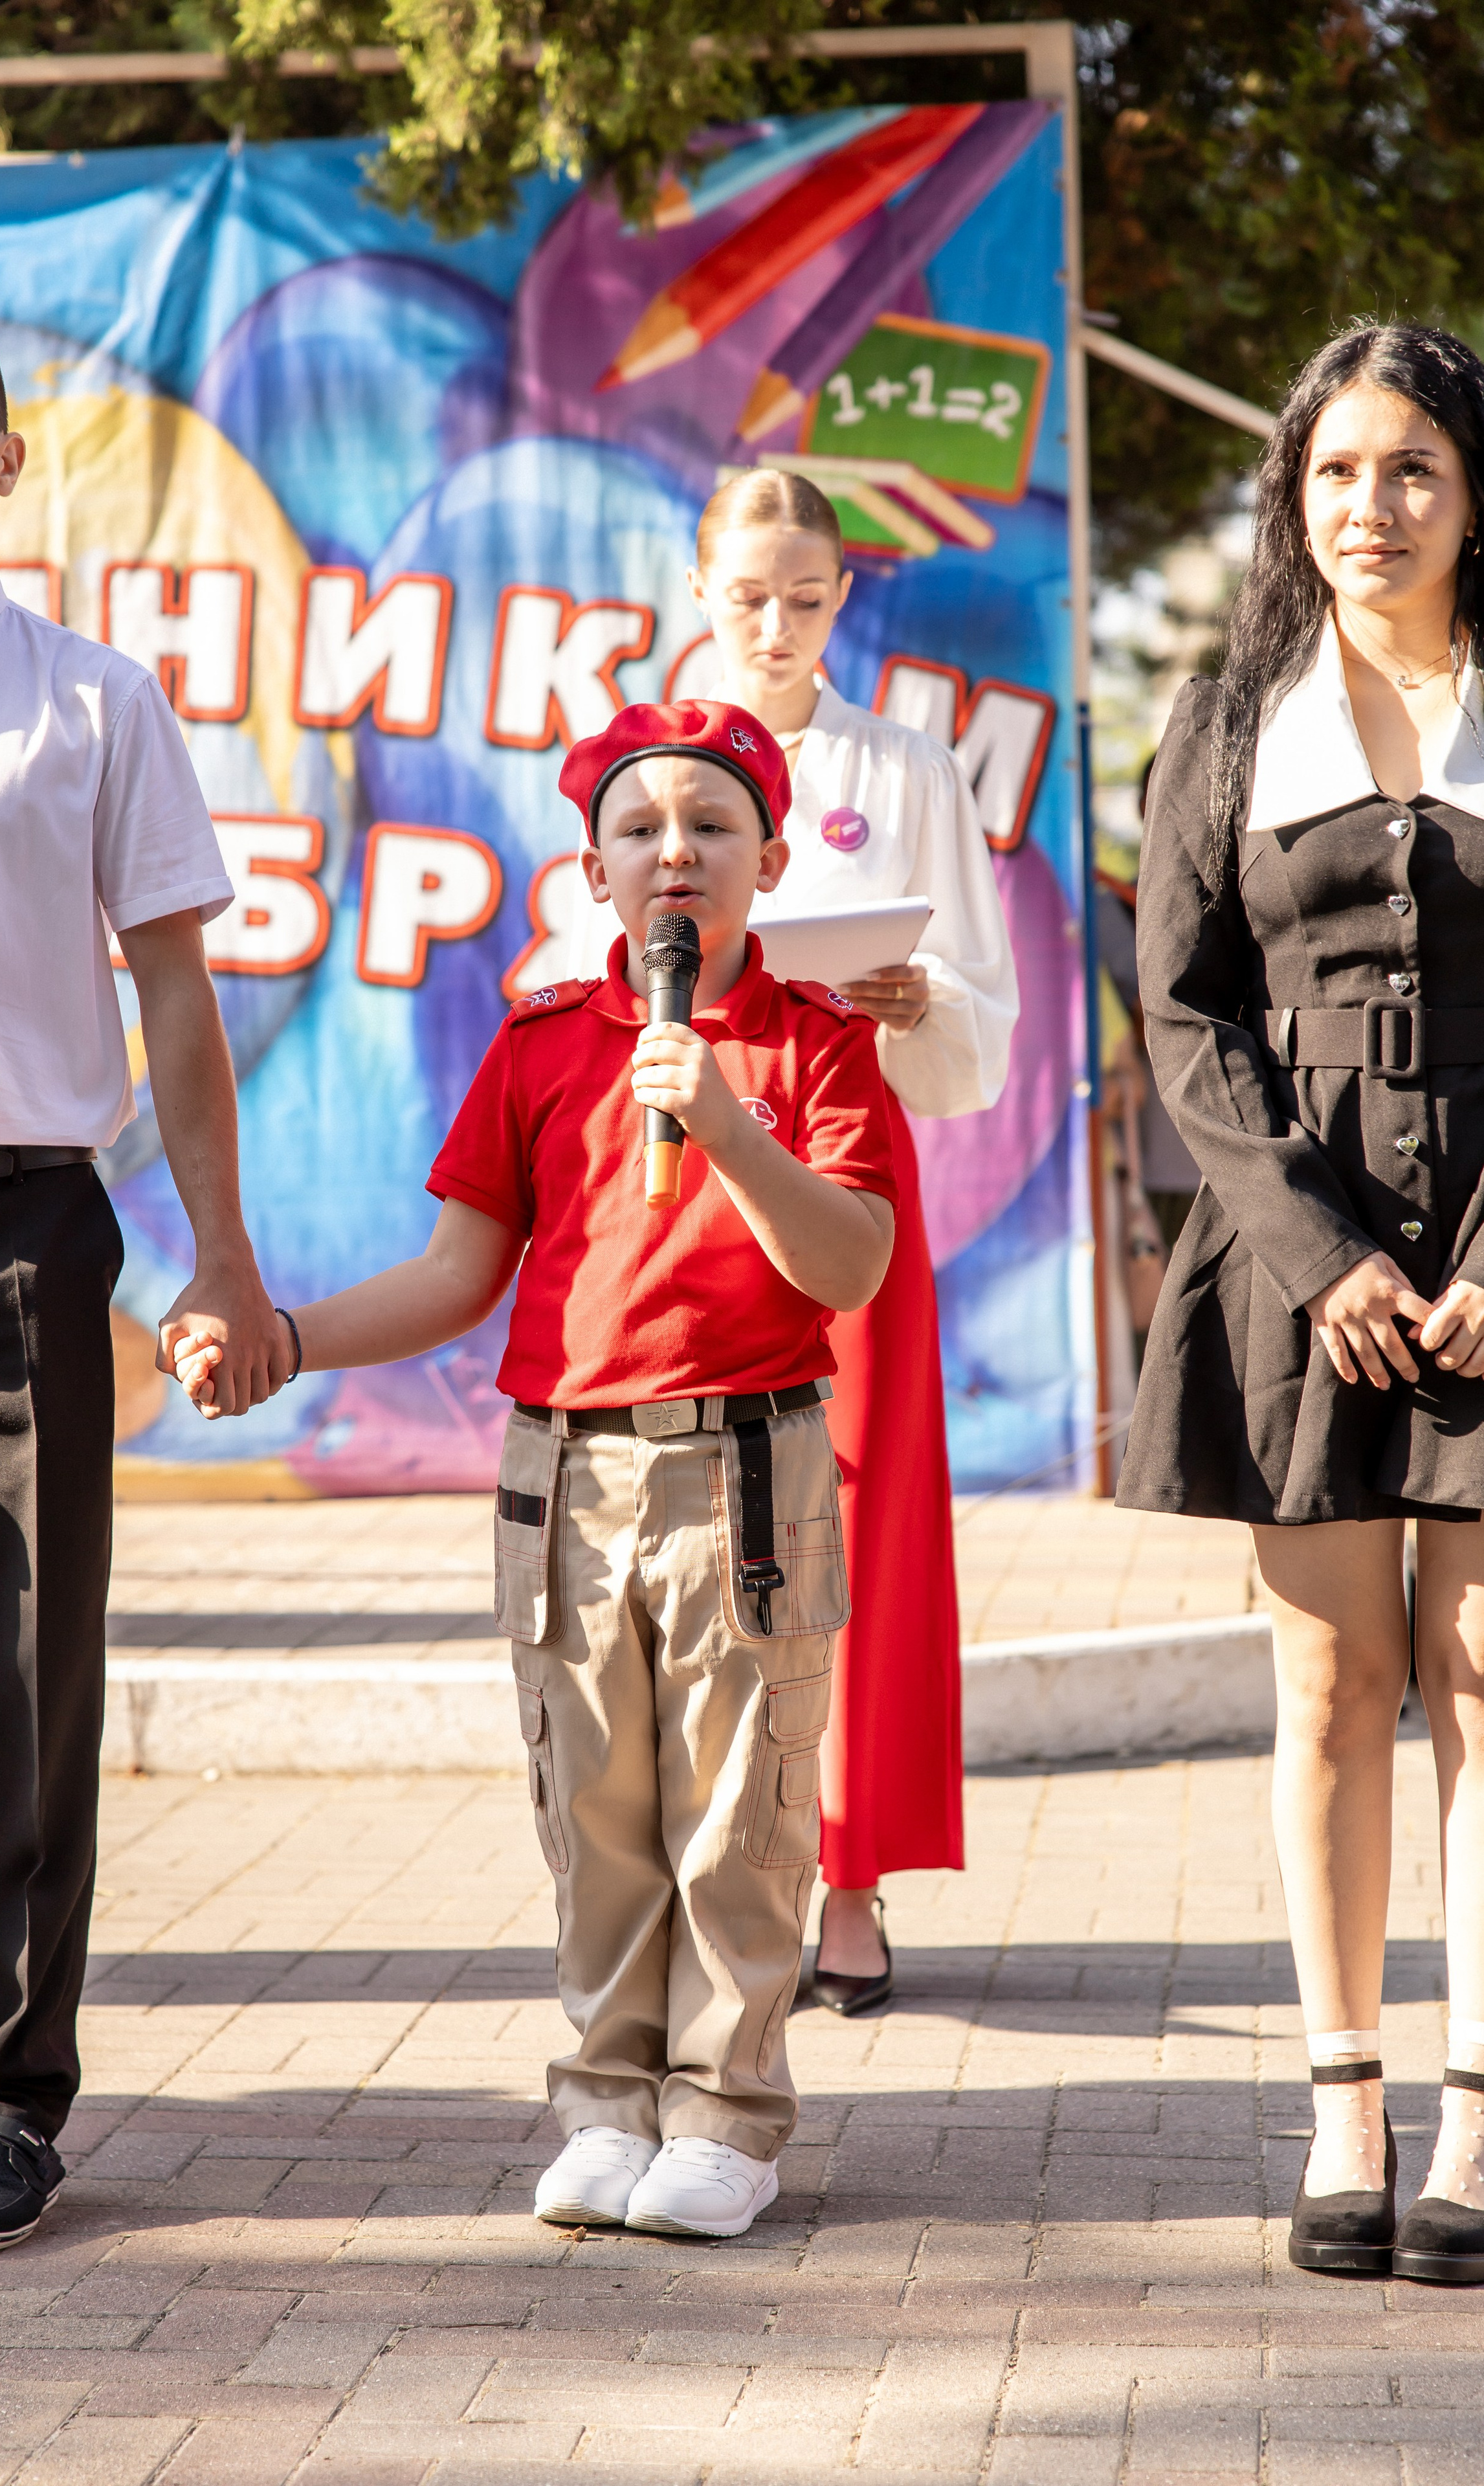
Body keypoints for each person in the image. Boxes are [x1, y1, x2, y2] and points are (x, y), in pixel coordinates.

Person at [177, 700, 899, 2237]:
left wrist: (723, 1123)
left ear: (770, 862)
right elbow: (457, 1275)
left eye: (711, 825)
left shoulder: (817, 1042)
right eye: (638, 830)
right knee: (596, 1807)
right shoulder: (541, 1047)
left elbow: (847, 1265)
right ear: (593, 874)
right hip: (563, 1477)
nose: (674, 855)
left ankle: (725, 2114)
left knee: (741, 1813)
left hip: (746, 1467)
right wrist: (284, 1339)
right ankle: (608, 2102)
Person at [0, 289, 285, 2252]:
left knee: (35, 1678)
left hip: (27, 1231)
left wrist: (223, 1260)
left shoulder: (101, 700)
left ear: (8, 459)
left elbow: (177, 998)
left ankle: (18, 2097)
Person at [1118, 320, 1484, 2287]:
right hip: (1298, 1260)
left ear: (1473, 493)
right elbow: (1187, 1015)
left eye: (1413, 465)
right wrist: (1319, 1252)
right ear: (1293, 493)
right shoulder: (1228, 718)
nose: (1373, 505)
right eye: (1338, 469)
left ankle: (1477, 2118)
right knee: (1334, 1685)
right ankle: (1346, 2104)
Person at [573, 471, 1017, 2010]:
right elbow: (579, 960)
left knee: (856, 1514)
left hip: (833, 1163)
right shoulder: (640, 758)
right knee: (685, 1525)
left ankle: (849, 1873)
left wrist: (914, 1000)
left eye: (806, 598)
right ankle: (697, 1867)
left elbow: (975, 1005)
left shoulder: (903, 766)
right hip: (674, 1166)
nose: (774, 625)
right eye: (748, 595)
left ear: (843, 598)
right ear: (697, 591)